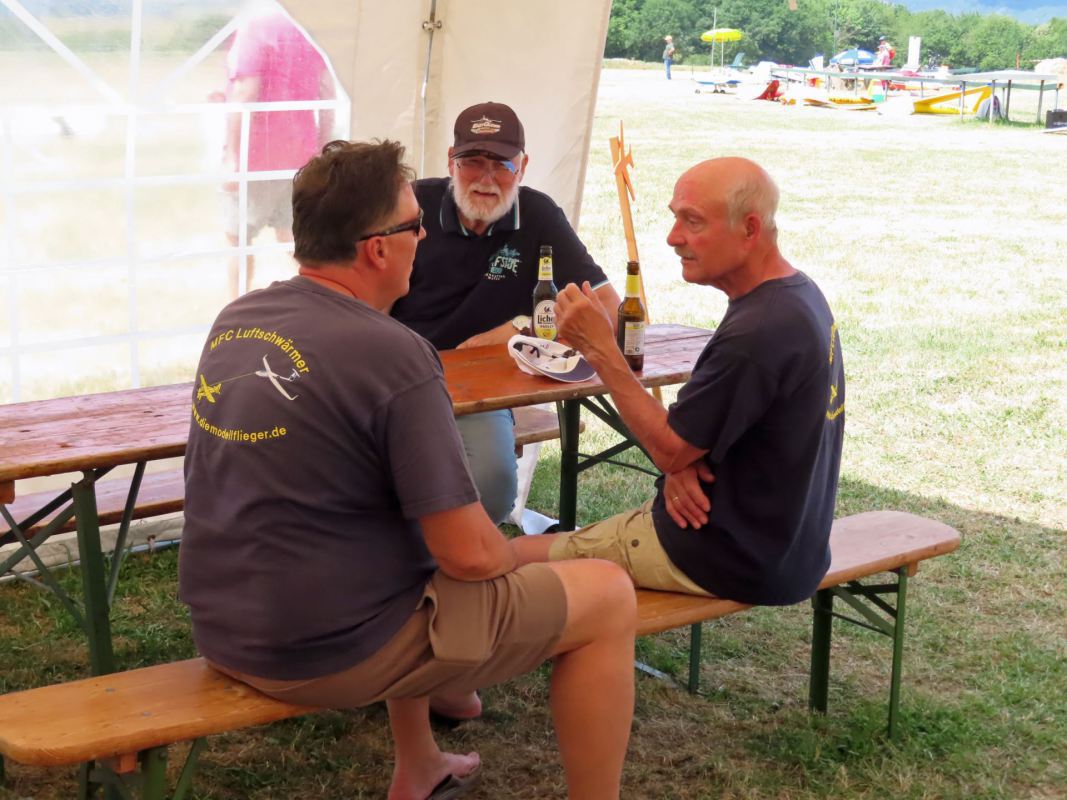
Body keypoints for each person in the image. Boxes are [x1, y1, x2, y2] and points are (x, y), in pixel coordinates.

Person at [179, 139, 636, 800]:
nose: (423, 237)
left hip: (225, 627)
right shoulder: (394, 354)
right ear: (377, 249)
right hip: (322, 649)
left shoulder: (238, 318)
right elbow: (470, 556)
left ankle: (420, 761)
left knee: (403, 549)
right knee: (609, 592)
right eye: (414, 225)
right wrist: (532, 552)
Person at [513, 157, 846, 608]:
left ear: (750, 228)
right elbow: (692, 440)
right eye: (675, 218)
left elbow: (670, 447)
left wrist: (601, 349)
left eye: (693, 221)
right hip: (792, 554)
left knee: (511, 556)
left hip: (724, 558)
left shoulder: (757, 331)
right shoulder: (798, 295)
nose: (673, 237)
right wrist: (678, 462)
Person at [390, 101, 620, 524]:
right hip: (401, 376)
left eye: (502, 165)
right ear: (450, 161)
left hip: (485, 389)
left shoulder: (538, 215)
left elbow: (608, 308)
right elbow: (359, 298)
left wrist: (522, 329)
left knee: (492, 488)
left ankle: (448, 552)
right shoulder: (411, 205)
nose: (486, 178)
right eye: (472, 162)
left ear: (523, 167)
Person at [220, 0, 335, 299]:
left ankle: (236, 309)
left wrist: (232, 156)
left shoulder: (255, 25)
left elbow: (245, 92)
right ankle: (328, 298)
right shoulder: (308, 25)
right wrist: (322, 147)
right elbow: (327, 91)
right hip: (302, 154)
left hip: (257, 156)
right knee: (296, 239)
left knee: (239, 241)